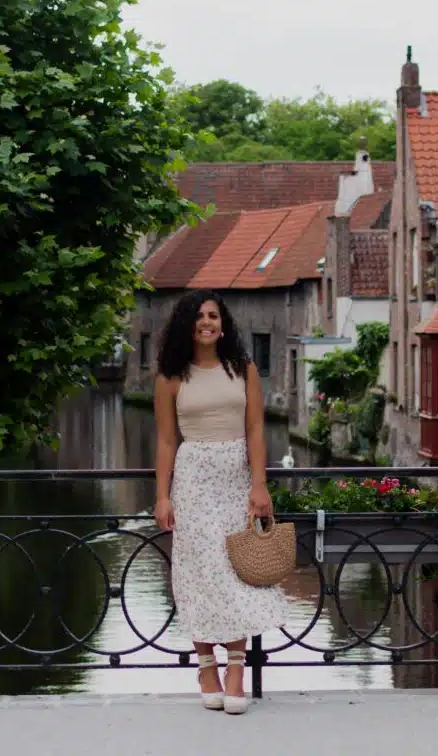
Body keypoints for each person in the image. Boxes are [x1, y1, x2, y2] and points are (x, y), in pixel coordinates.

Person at [154, 289, 287, 715]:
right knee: (196, 573)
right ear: (187, 325)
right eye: (198, 316)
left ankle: (236, 672)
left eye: (213, 315)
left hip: (235, 477)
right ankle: (206, 668)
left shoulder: (242, 369)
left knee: (234, 573)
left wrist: (260, 485)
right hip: (192, 479)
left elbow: (254, 430)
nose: (206, 322)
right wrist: (160, 495)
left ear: (223, 323)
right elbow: (165, 440)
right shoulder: (171, 377)